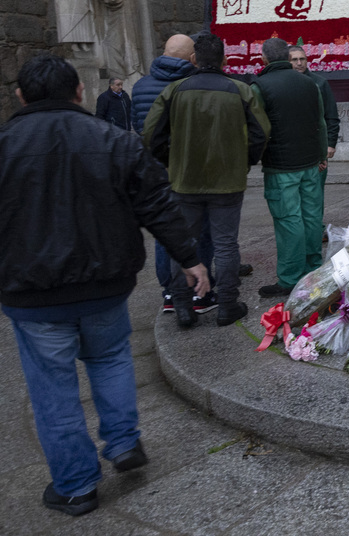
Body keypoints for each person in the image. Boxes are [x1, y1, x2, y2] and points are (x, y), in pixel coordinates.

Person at [0, 53, 207, 517]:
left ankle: (76, 485)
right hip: (104, 283)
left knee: (52, 388)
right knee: (110, 359)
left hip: (32, 293)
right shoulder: (115, 141)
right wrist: (190, 259)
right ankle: (123, 442)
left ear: (20, 96)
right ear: (78, 93)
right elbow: (156, 204)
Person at [143, 34, 270, 328]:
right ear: (225, 60)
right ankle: (227, 304)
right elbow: (260, 133)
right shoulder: (240, 90)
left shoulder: (175, 90)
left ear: (193, 60)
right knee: (226, 244)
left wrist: (172, 160)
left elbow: (152, 134)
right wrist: (245, 161)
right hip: (227, 181)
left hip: (184, 180)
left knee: (183, 244)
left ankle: (183, 306)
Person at [130, 34, 215, 312]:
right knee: (199, 228)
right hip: (188, 168)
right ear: (192, 58)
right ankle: (199, 288)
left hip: (155, 169)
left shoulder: (141, 85)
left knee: (164, 228)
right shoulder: (191, 85)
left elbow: (139, 126)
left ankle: (169, 291)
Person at [251, 38, 327, 297]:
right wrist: (321, 153)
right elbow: (320, 121)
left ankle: (290, 277)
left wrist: (254, 157)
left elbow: (257, 128)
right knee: (311, 216)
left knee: (288, 219)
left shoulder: (259, 85)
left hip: (281, 166)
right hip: (310, 161)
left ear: (264, 58)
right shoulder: (309, 82)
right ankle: (314, 268)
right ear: (286, 56)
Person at [288, 44, 340, 189]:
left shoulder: (320, 83)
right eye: (295, 60)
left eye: (302, 59)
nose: (299, 63)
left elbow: (331, 115)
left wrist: (330, 143)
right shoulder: (283, 84)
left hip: (316, 148)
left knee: (314, 193)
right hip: (292, 149)